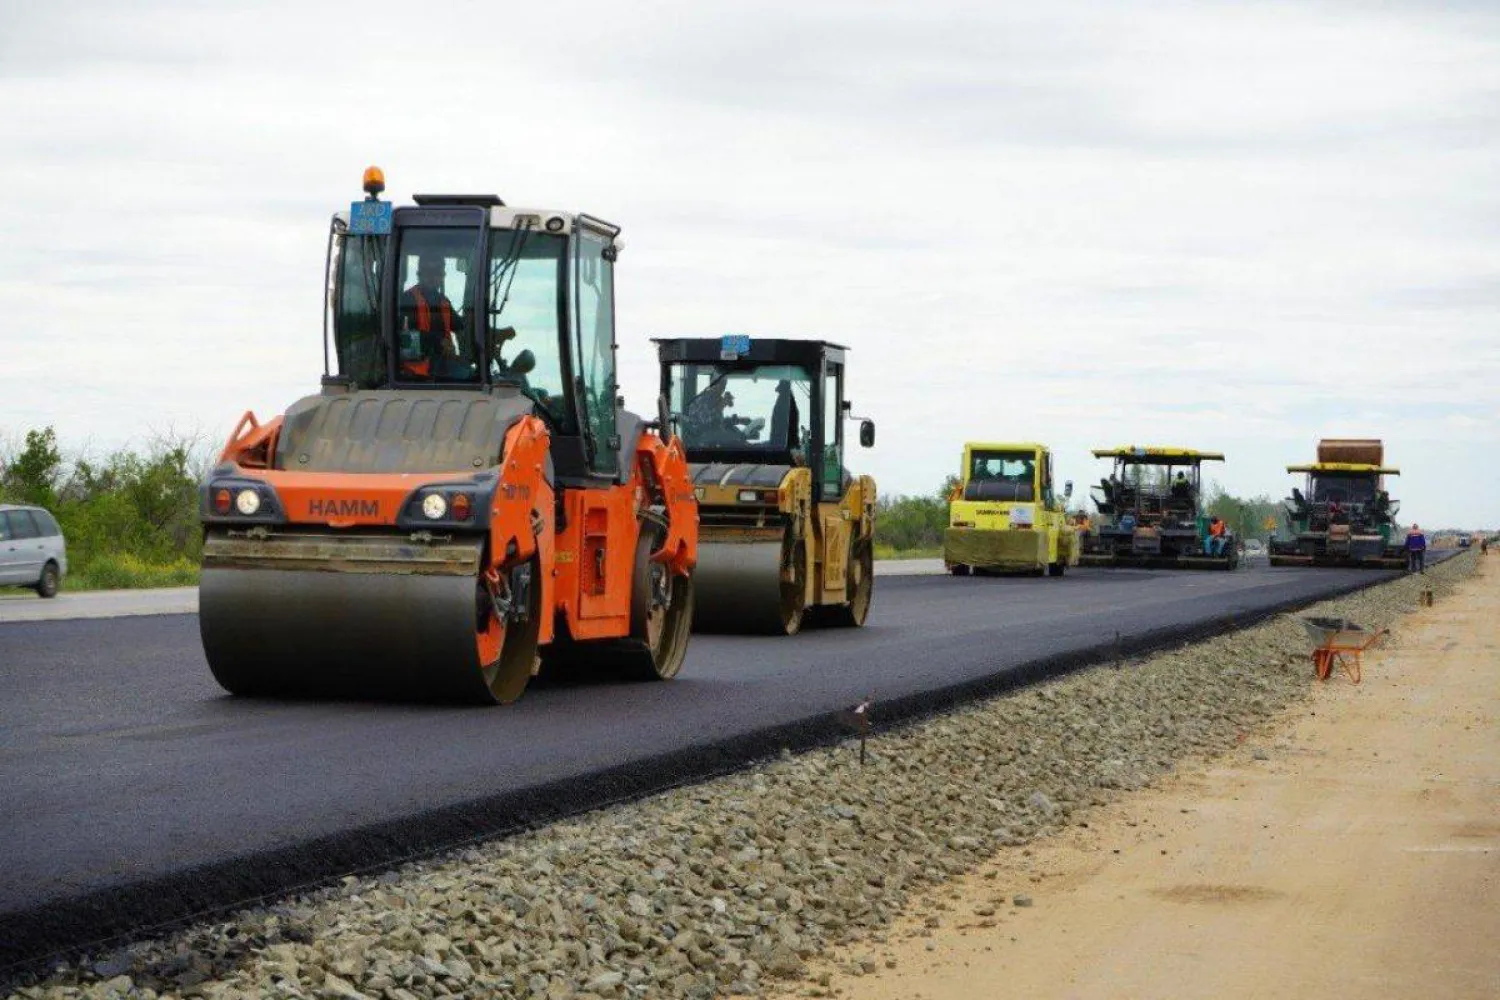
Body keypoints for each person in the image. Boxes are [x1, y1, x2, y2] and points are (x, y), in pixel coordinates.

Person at [398, 254, 462, 378]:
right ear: (419, 274)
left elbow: (460, 326)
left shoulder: (444, 301)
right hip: (413, 373)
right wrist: (439, 341)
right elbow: (403, 335)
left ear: (443, 276)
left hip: (443, 367)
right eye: (428, 272)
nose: (432, 277)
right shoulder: (407, 299)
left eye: (437, 272)